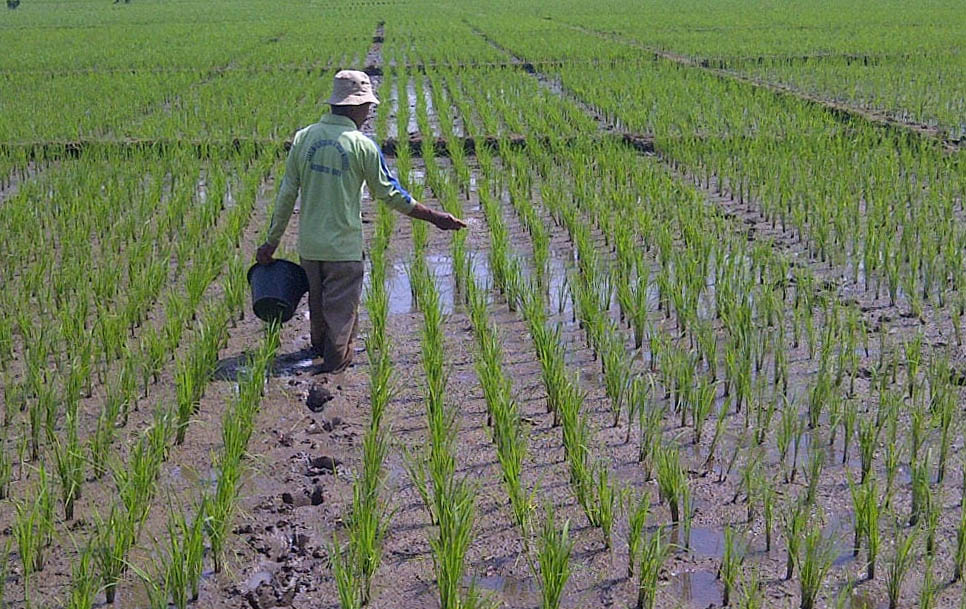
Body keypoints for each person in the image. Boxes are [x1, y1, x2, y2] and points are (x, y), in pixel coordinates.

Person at [256, 70, 466, 373]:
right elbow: (391, 194)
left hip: (311, 249)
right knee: (341, 322)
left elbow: (286, 194)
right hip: (344, 250)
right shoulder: (362, 146)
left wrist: (271, 242)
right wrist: (435, 217)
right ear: (355, 106)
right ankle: (331, 376)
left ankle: (318, 359)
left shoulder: (304, 138)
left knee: (319, 313)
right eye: (367, 105)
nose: (369, 112)